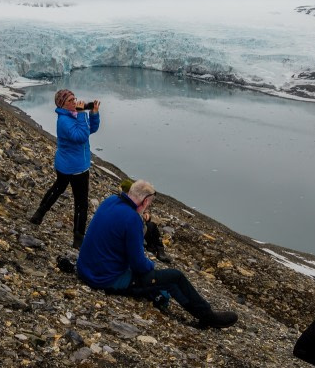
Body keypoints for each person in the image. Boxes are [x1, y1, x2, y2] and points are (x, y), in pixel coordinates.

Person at [76, 180, 238, 329]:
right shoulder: (132, 219)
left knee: (162, 280)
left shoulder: (111, 200)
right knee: (174, 277)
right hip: (104, 278)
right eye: (150, 203)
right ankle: (208, 316)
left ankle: (198, 312)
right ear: (145, 201)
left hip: (85, 268)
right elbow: (139, 265)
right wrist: (151, 266)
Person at [29, 89, 100, 249]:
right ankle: (78, 238)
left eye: (74, 99)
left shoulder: (72, 116)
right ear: (62, 104)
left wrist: (93, 114)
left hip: (65, 164)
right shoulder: (64, 121)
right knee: (81, 203)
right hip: (77, 168)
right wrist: (82, 113)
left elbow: (90, 130)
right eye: (70, 101)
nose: (75, 103)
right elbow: (80, 136)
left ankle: (39, 214)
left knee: (58, 188)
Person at [121, 178, 171, 263]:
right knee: (152, 226)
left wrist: (146, 212)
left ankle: (152, 246)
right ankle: (159, 250)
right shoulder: (132, 216)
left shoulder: (117, 200)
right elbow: (138, 261)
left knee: (150, 224)